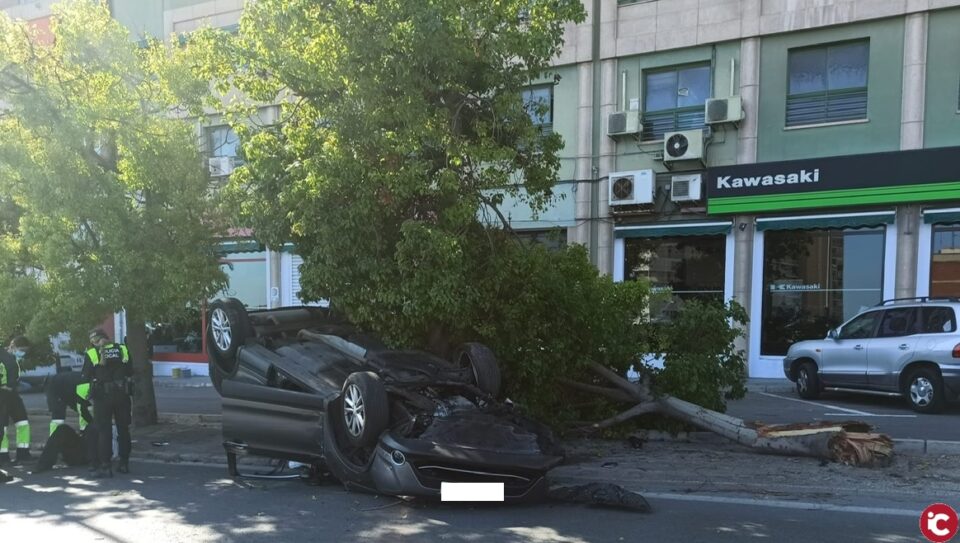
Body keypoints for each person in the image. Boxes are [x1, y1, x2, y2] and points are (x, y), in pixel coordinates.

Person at [81, 328, 132, 478]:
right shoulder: (122, 349)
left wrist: (85, 399)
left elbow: (85, 377)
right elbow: (130, 371)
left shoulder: (92, 353)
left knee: (104, 431)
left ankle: (106, 465)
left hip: (102, 397)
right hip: (122, 395)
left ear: (93, 341)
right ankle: (124, 463)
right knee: (123, 430)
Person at [0, 336, 33, 464]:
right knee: (3, 426)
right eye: (22, 350)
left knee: (22, 423)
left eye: (25, 351)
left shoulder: (11, 358)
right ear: (12, 346)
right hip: (3, 394)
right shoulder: (5, 358)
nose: (23, 353)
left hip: (11, 394)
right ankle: (5, 456)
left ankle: (21, 453)